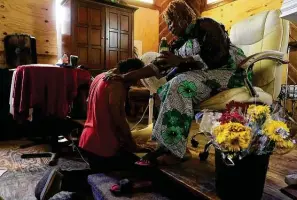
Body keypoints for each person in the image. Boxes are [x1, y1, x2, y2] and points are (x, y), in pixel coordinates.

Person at [105, 0, 251, 166]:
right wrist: (126, 76)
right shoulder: (178, 43)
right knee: (167, 87)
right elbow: (156, 67)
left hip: (230, 72)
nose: (169, 27)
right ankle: (170, 145)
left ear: (181, 17)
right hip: (205, 75)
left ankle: (173, 151)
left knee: (179, 84)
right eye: (167, 24)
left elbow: (217, 58)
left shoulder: (207, 26)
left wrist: (181, 61)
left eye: (170, 22)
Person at [35, 58, 148, 200]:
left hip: (89, 136)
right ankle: (63, 180)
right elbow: (118, 118)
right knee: (103, 181)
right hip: (104, 142)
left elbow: (90, 102)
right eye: (136, 79)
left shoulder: (101, 76)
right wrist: (131, 143)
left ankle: (59, 178)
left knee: (97, 175)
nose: (135, 83)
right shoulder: (117, 85)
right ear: (131, 72)